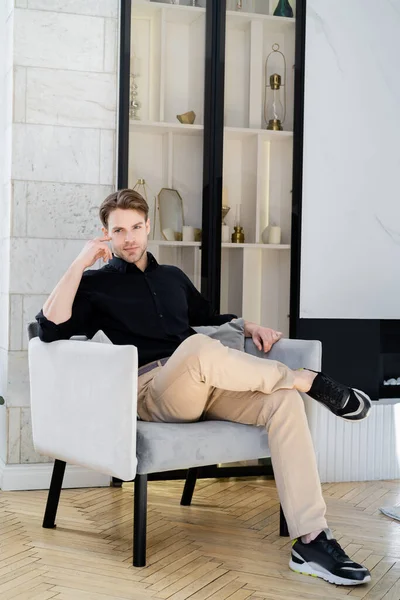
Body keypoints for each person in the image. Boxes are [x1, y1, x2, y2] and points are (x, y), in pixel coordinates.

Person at [37, 189, 372, 586]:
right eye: (119, 230)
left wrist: (249, 327)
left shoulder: (172, 277)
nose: (129, 238)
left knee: (282, 403)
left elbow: (210, 318)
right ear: (105, 233)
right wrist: (80, 261)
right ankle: (305, 380)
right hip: (154, 391)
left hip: (204, 383)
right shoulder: (95, 284)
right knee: (197, 348)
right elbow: (49, 327)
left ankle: (312, 540)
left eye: (137, 227)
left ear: (148, 227)